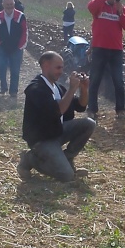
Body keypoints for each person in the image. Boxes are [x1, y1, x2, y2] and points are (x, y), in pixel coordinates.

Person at [18, 51, 96, 182]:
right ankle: (30, 159)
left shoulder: (58, 88)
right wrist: (72, 89)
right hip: (42, 139)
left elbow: (81, 106)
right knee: (67, 175)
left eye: (62, 67)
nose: (61, 71)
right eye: (58, 67)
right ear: (46, 65)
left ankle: (67, 157)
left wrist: (83, 88)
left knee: (89, 123)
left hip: (57, 132)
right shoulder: (35, 88)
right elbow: (56, 111)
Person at [86, 0, 125, 121]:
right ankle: (92, 109)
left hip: (116, 50)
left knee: (118, 81)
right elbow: (90, 6)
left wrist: (120, 13)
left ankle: (120, 109)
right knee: (95, 79)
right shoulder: (100, 4)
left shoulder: (121, 8)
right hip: (100, 48)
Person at [0, 0, 28, 97]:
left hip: (16, 48)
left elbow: (25, 32)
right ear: (3, 5)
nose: (9, 6)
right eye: (7, 4)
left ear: (14, 4)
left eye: (11, 4)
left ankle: (13, 91)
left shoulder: (20, 16)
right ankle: (3, 88)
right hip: (2, 48)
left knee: (15, 70)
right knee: (1, 67)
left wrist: (20, 46)